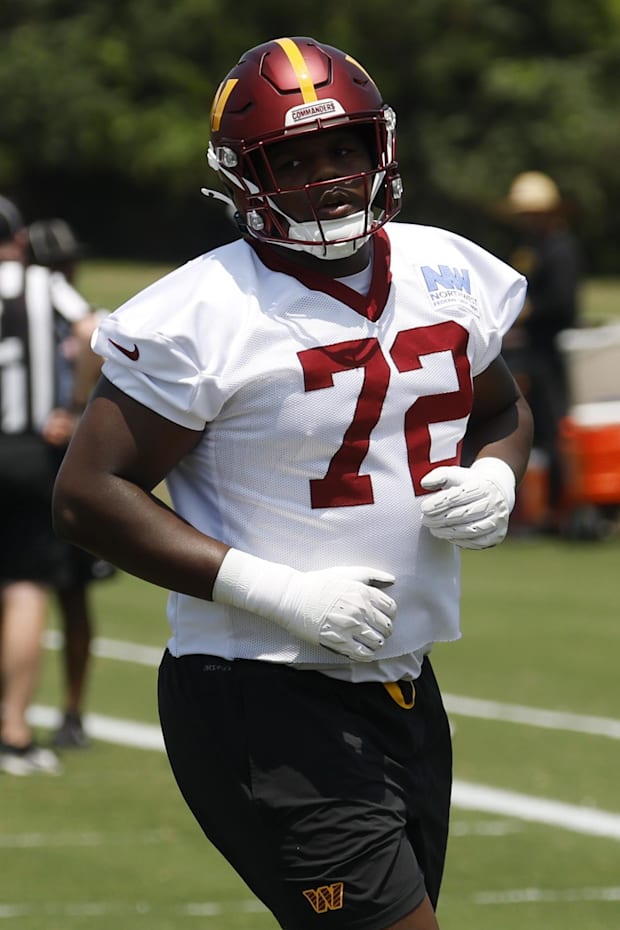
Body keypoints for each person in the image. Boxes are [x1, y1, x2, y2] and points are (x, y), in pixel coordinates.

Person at [53, 37, 533, 930]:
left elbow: (502, 407)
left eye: (344, 148)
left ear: (380, 148)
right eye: (293, 158)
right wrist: (274, 590)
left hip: (402, 680)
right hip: (260, 689)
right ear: (244, 174)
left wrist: (498, 474)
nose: (328, 176)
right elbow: (89, 495)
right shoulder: (201, 312)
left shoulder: (446, 267)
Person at [0, 197, 92, 775]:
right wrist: (74, 406)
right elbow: (93, 330)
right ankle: (13, 727)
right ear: (19, 239)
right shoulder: (39, 283)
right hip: (28, 449)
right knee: (26, 587)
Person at [28, 218, 115, 749]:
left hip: (48, 457)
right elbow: (95, 335)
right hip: (52, 460)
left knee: (63, 593)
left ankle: (71, 711)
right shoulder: (65, 307)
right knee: (63, 594)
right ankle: (68, 712)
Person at [501, 171, 583, 528]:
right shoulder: (527, 248)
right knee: (518, 427)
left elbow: (563, 303)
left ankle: (563, 511)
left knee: (552, 431)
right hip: (525, 352)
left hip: (550, 353)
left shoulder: (562, 250)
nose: (528, 221)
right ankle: (526, 514)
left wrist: (529, 311)